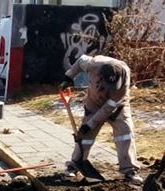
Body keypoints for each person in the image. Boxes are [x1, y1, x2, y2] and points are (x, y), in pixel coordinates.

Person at [60, 54, 142, 182]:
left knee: (125, 134)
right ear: (101, 77)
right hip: (94, 103)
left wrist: (91, 123)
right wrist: (69, 76)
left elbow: (110, 106)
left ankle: (130, 170)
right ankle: (74, 165)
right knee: (85, 137)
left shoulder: (125, 75)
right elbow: (80, 60)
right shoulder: (93, 65)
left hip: (118, 106)